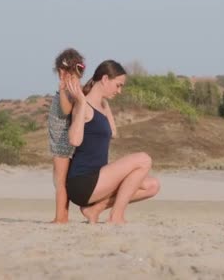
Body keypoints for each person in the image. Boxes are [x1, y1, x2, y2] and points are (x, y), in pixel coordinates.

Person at [65, 60, 160, 224]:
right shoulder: (84, 105)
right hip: (83, 182)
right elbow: (74, 140)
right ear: (104, 79)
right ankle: (116, 217)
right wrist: (80, 102)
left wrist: (105, 104)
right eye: (118, 85)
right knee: (144, 159)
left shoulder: (101, 105)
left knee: (152, 185)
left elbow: (113, 133)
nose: (120, 91)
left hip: (100, 178)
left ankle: (94, 210)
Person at [47, 48, 86, 223]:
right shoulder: (74, 85)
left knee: (60, 182)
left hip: (62, 142)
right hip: (59, 139)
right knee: (60, 181)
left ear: (61, 70)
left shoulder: (69, 87)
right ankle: (62, 215)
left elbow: (65, 110)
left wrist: (62, 88)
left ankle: (60, 217)